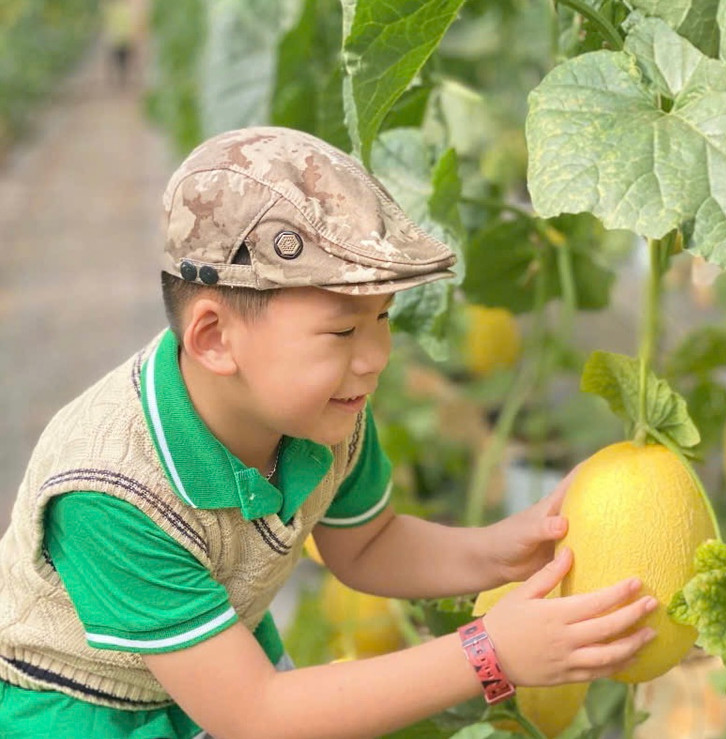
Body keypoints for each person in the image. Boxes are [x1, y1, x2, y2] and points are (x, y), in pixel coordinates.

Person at [0, 126, 658, 738]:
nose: (374, 355)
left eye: (382, 318)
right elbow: (257, 714)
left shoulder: (321, 411)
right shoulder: (110, 495)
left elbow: (366, 545)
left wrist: (501, 552)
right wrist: (490, 655)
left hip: (216, 669)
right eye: (343, 331)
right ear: (213, 337)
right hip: (77, 711)